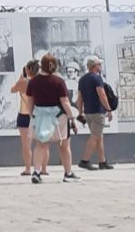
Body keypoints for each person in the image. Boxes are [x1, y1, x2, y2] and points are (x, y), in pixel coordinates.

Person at [27, 54, 80, 183]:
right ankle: (68, 173)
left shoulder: (33, 81)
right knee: (64, 145)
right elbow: (65, 102)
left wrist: (31, 115)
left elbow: (30, 101)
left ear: (41, 65)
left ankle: (36, 172)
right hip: (58, 117)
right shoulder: (59, 81)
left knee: (41, 145)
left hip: (40, 115)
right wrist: (72, 118)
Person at [75, 56, 114, 170]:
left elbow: (79, 98)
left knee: (98, 137)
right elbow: (102, 95)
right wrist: (109, 110)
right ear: (94, 66)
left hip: (88, 112)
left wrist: (80, 111)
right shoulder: (97, 79)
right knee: (95, 136)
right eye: (99, 65)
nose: (100, 67)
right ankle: (84, 160)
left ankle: (102, 161)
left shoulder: (82, 79)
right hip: (98, 112)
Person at [10, 59, 39, 176]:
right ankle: (43, 168)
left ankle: (28, 168)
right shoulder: (40, 82)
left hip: (24, 114)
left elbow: (12, 90)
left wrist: (20, 80)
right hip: (38, 114)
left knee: (26, 145)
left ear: (27, 70)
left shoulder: (23, 82)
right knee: (42, 144)